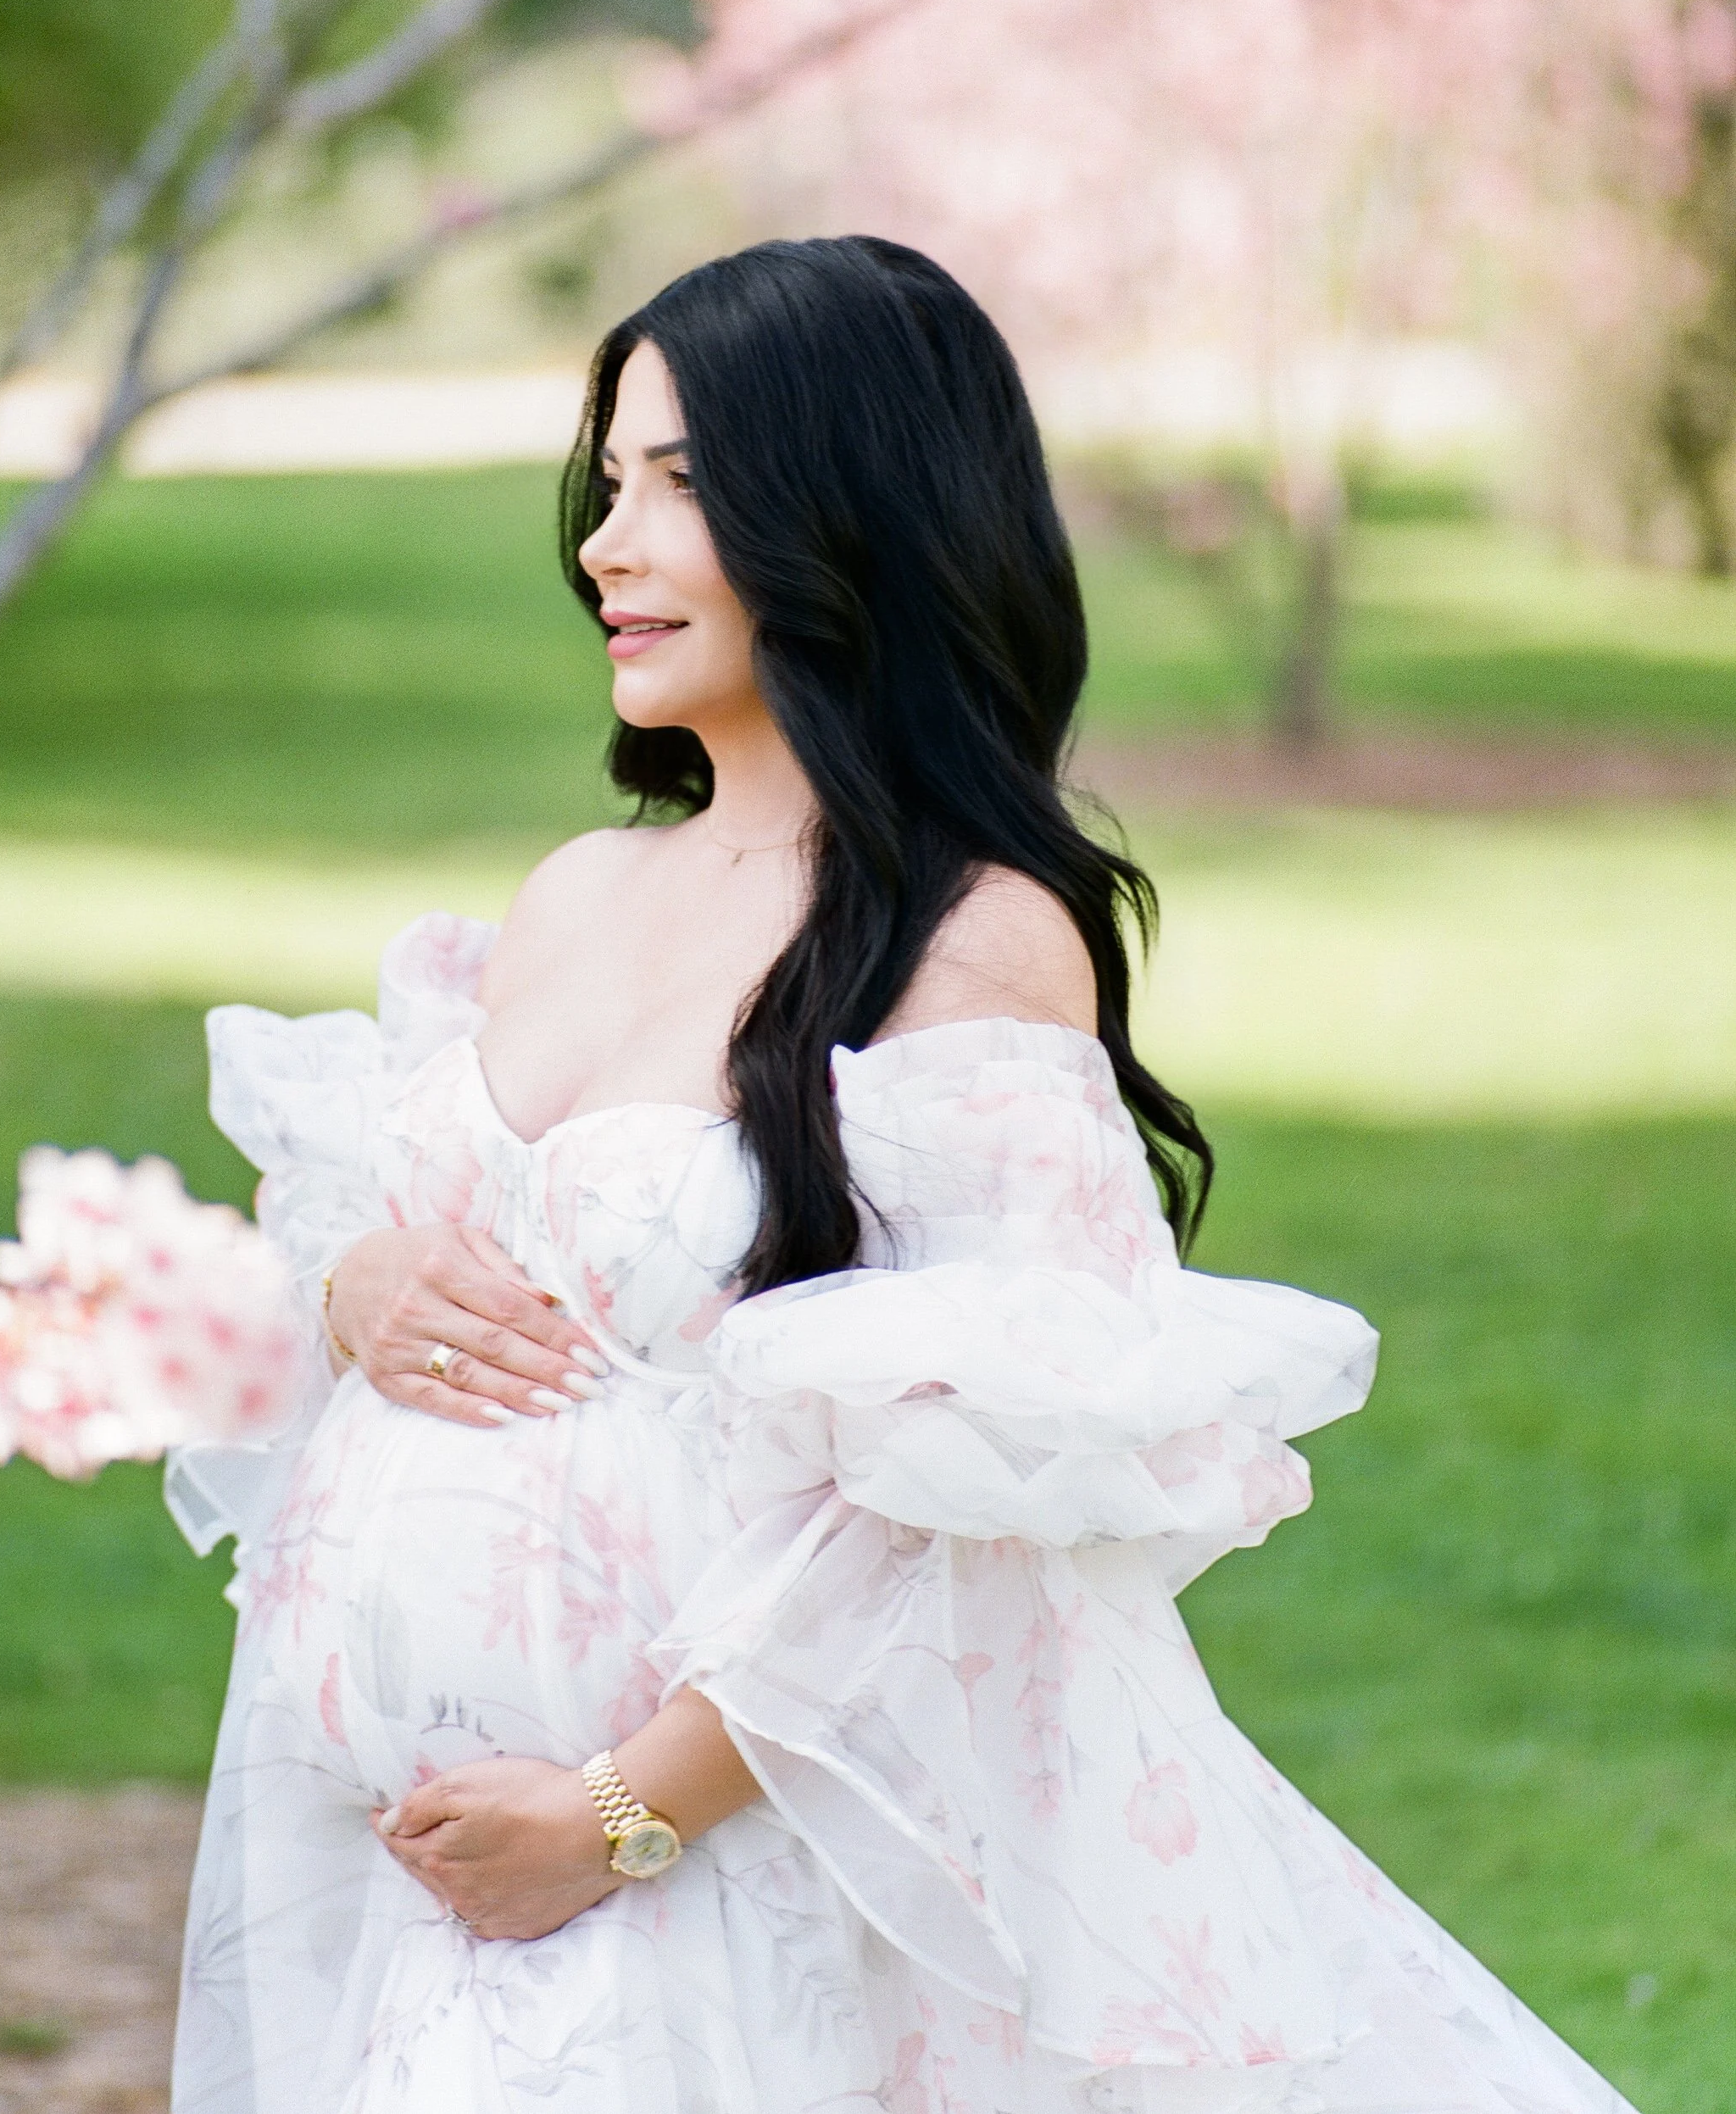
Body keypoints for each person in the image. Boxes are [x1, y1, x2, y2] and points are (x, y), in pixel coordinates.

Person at [166, 235, 1633, 2114]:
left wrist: (622, 1813)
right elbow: (405, 1231)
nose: (608, 544)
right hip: (430, 1891)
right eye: (608, 484)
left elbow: (968, 1504)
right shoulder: (571, 897)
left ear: (847, 515)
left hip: (757, 1891)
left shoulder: (971, 941)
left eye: (681, 487)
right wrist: (353, 1280)